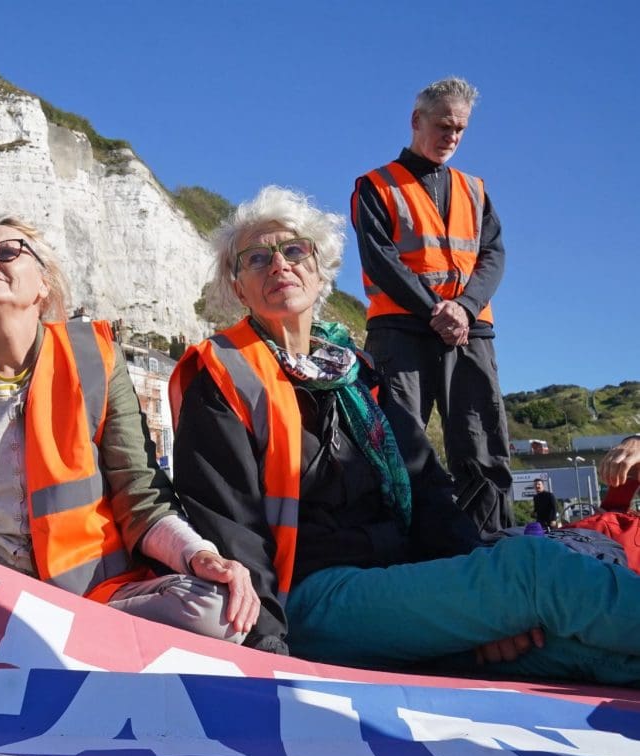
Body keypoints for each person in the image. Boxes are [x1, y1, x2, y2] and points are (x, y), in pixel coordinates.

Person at [170, 186, 640, 684]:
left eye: (293, 250)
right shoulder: (222, 376)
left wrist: (488, 612)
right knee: (535, 571)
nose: (279, 265)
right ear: (238, 287)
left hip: (402, 586)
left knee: (566, 649)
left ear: (320, 267)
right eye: (257, 258)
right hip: (307, 597)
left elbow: (429, 489)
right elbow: (230, 526)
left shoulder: (361, 374)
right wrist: (269, 651)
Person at [0, 216, 263, 647]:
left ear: (43, 285)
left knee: (218, 611)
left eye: (8, 251)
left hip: (90, 599)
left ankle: (25, 640)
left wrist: (198, 554)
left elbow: (139, 490)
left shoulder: (96, 360)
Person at [352, 76, 513, 532]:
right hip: (401, 330)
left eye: (460, 129)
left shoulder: (475, 189)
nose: (452, 137)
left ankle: (490, 541)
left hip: (470, 329)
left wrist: (463, 307)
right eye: (444, 126)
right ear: (416, 121)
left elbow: (493, 254)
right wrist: (435, 309)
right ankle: (405, 544)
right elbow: (380, 258)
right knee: (398, 441)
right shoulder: (376, 185)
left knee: (482, 442)